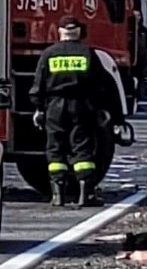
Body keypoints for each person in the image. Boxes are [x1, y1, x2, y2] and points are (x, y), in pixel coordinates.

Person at [29, 16, 111, 207]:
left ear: (60, 31)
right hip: (81, 106)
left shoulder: (49, 54)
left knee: (55, 148)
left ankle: (58, 195)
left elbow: (38, 86)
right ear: (80, 33)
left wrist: (39, 109)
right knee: (82, 148)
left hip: (54, 108)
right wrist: (100, 108)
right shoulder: (88, 54)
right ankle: (86, 194)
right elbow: (100, 85)